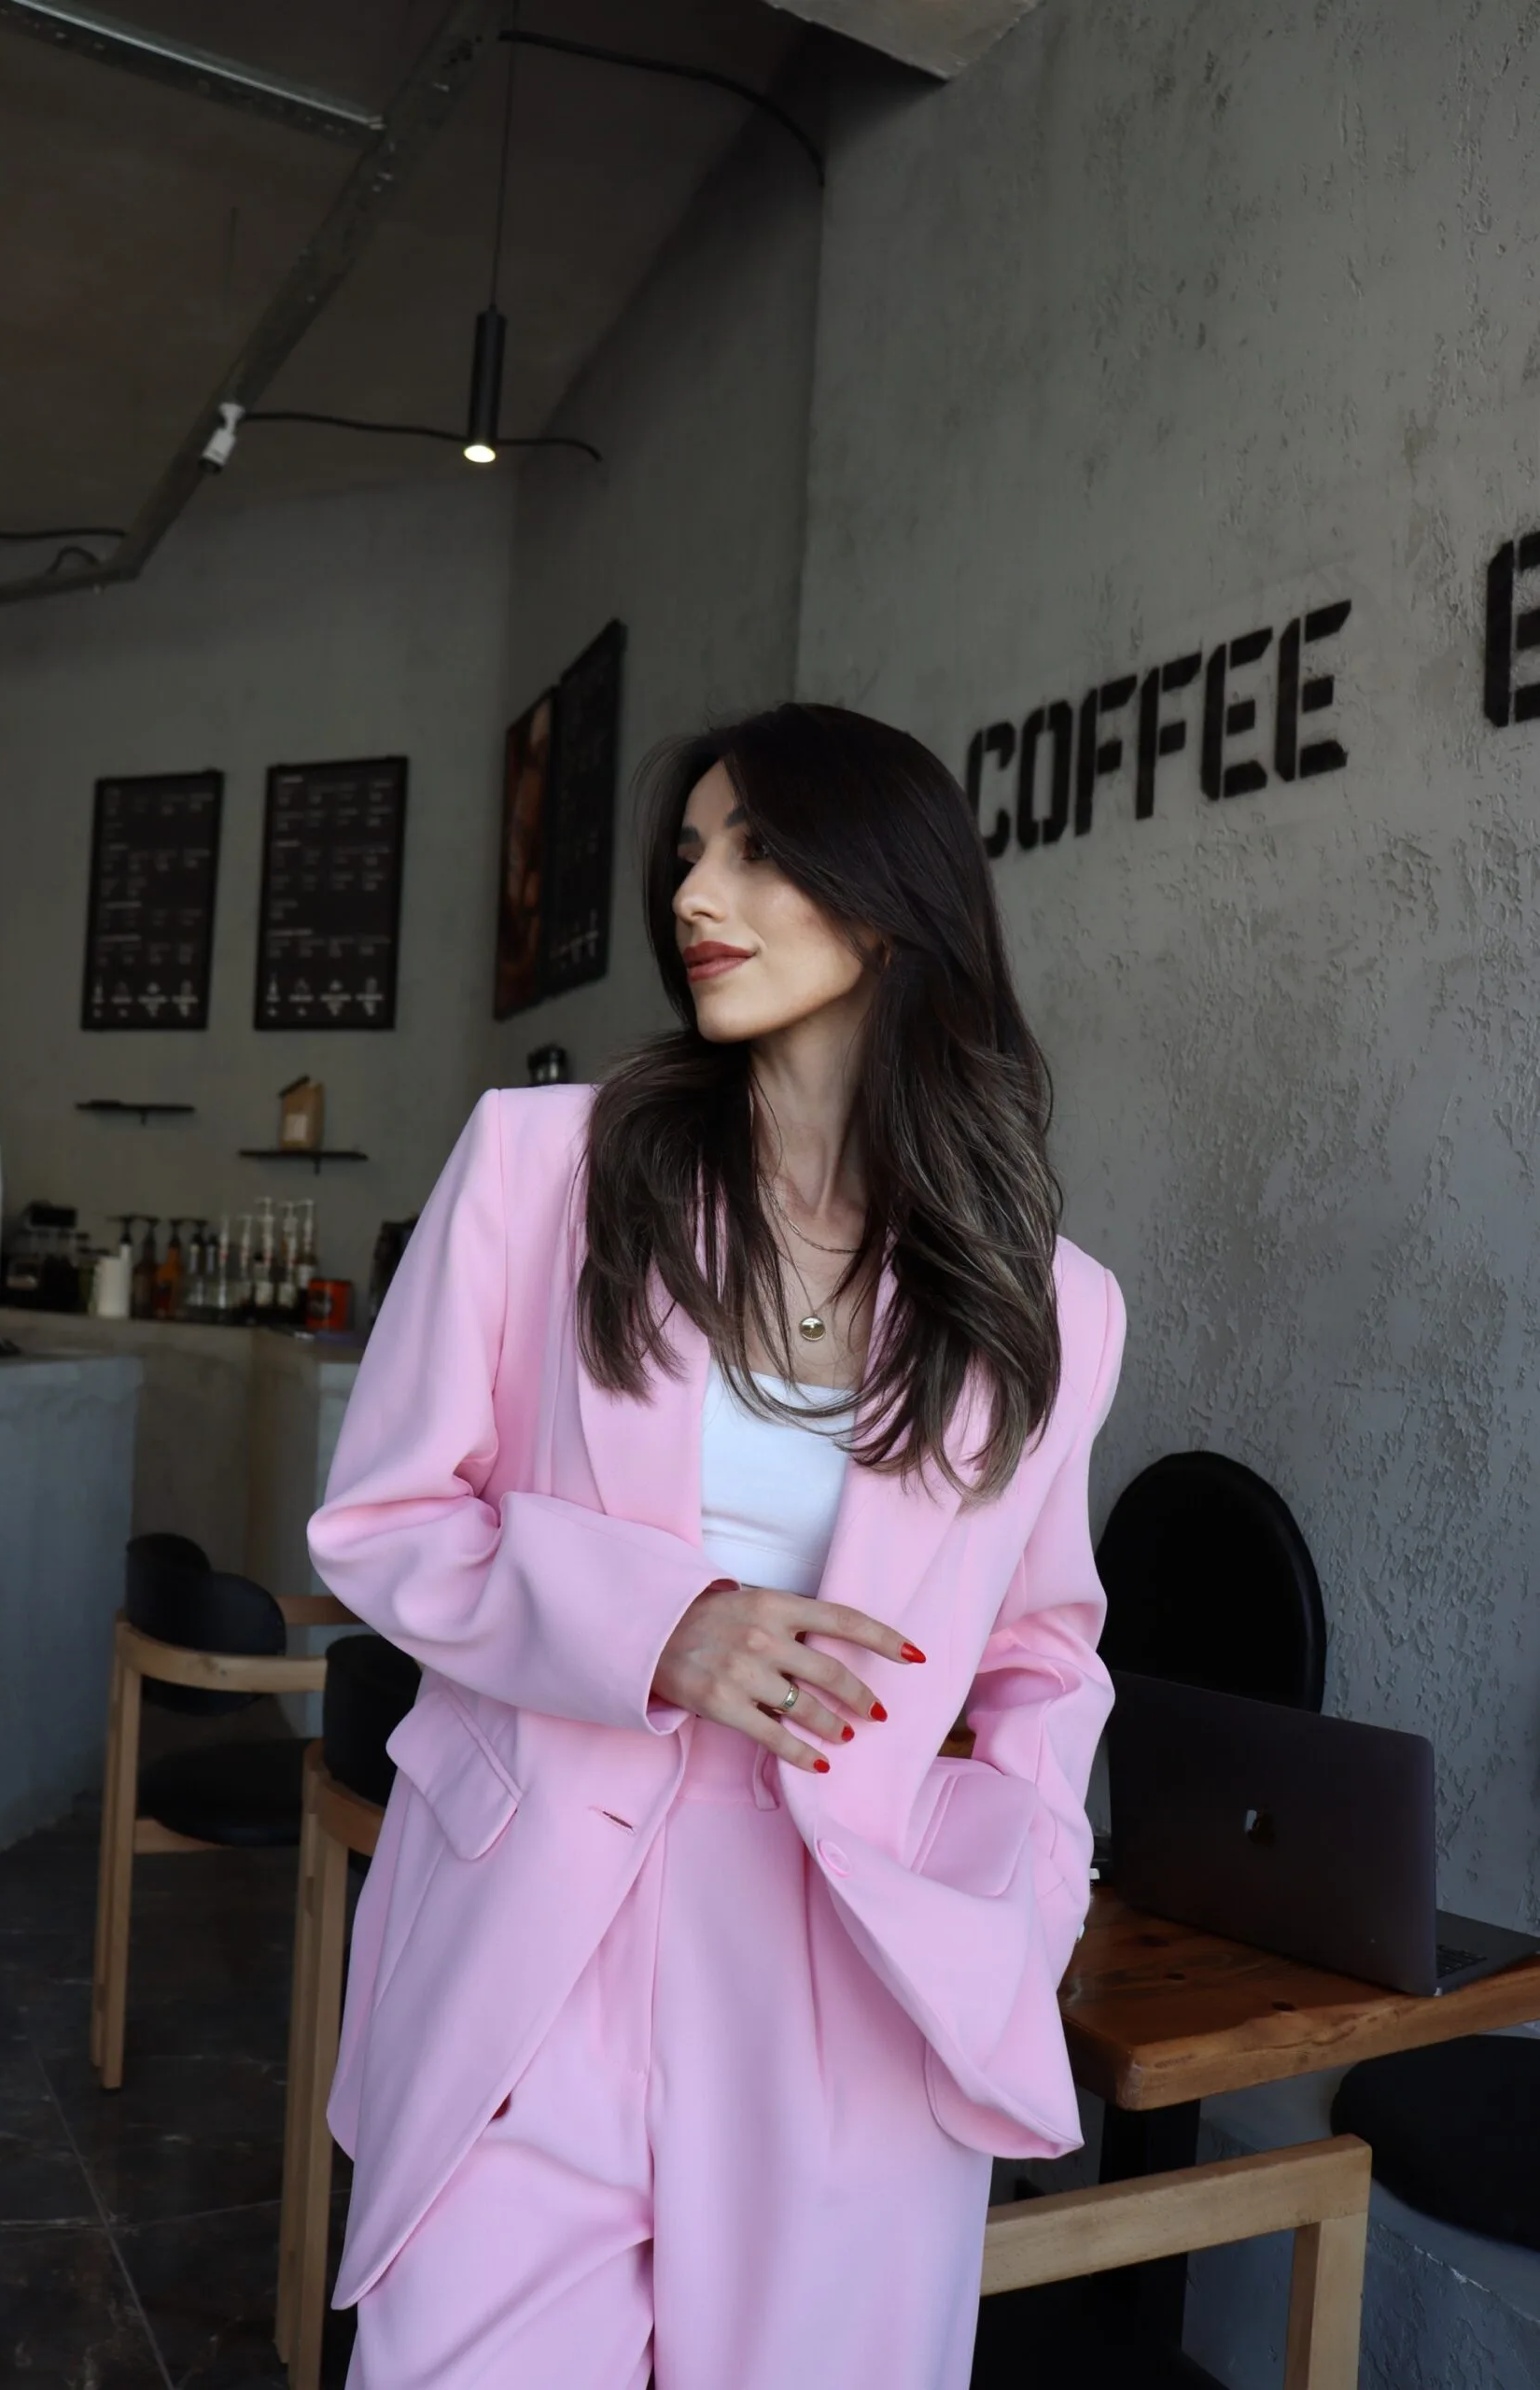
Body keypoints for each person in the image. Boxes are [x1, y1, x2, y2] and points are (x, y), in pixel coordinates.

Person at [307, 701, 1126, 2390]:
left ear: (889, 897)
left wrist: (1029, 1894)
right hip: (536, 1922)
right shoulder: (542, 1167)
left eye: (755, 850)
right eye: (689, 854)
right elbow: (382, 1521)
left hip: (850, 1960)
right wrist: (657, 1629)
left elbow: (1044, 1654)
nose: (696, 893)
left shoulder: (1045, 1303)